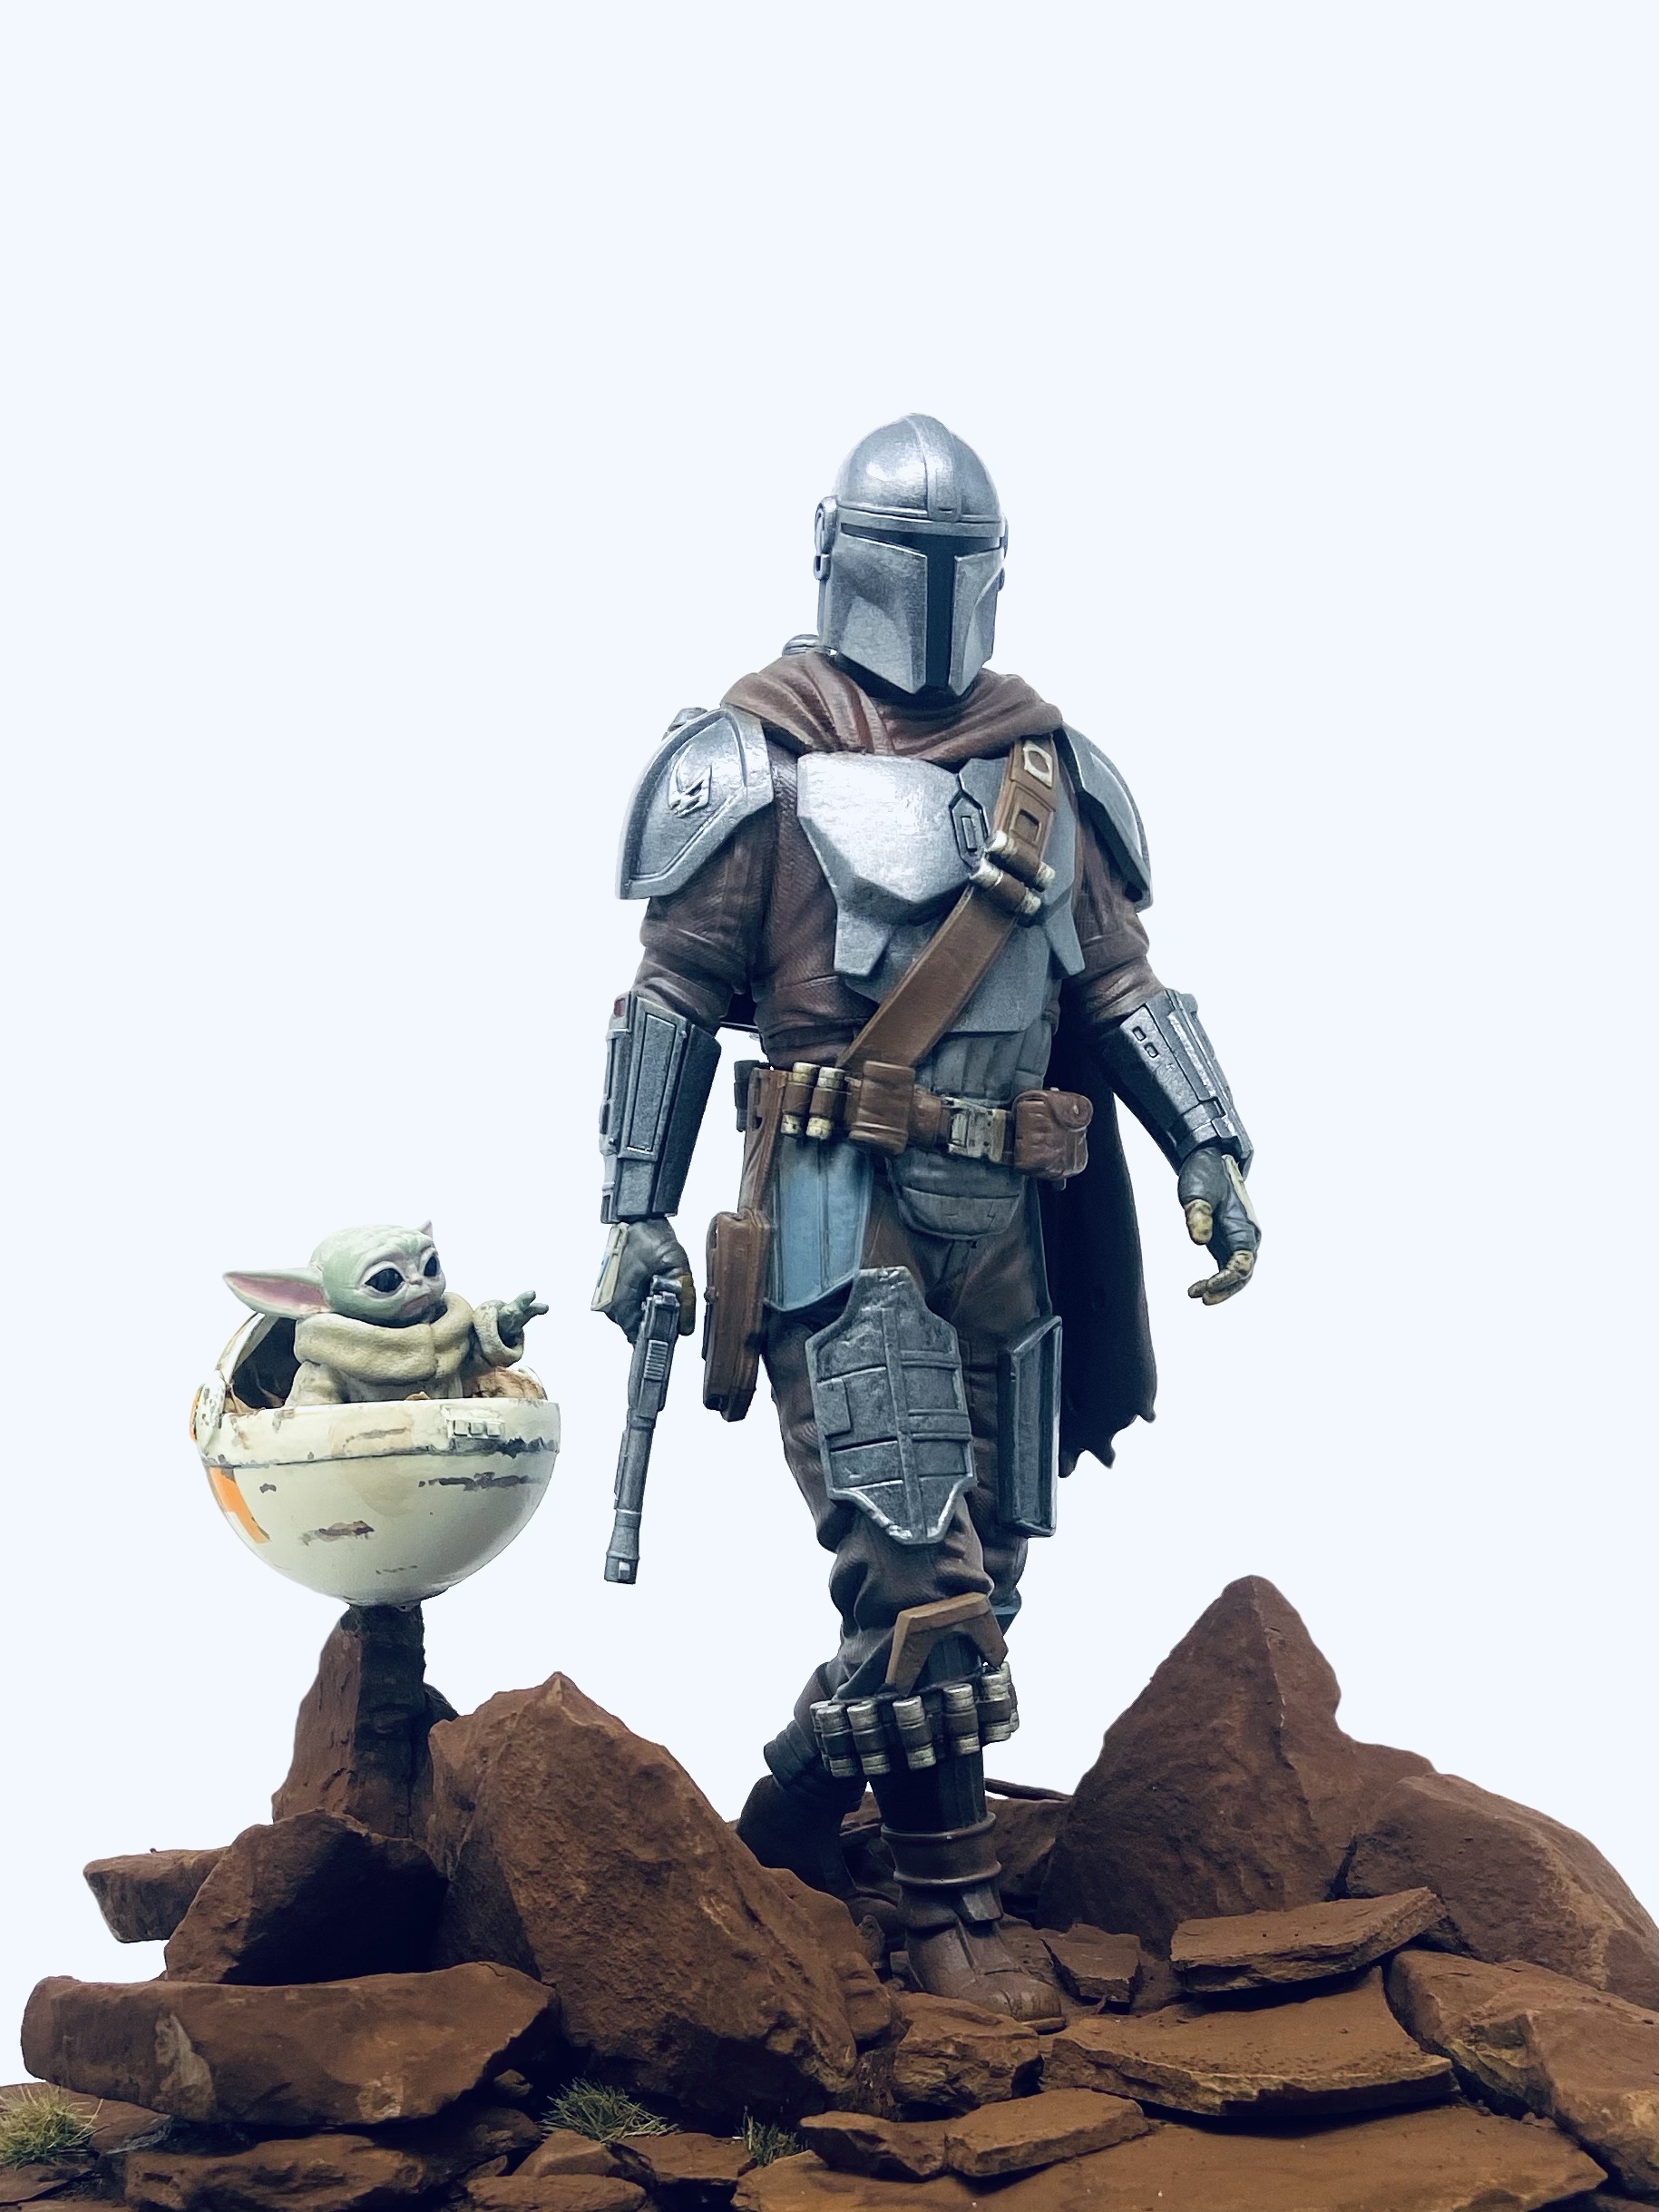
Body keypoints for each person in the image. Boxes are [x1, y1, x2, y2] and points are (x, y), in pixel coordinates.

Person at [593, 416, 1259, 2021]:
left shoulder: (1048, 768)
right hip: (844, 1211)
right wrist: (635, 1208)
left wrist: (1206, 1140)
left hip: (1007, 1216)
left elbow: (1117, 985)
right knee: (914, 1572)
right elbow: (670, 995)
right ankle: (947, 1910)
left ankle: (792, 1811)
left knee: (992, 1573)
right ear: (838, 558)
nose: (938, 593)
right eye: (915, 560)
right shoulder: (751, 760)